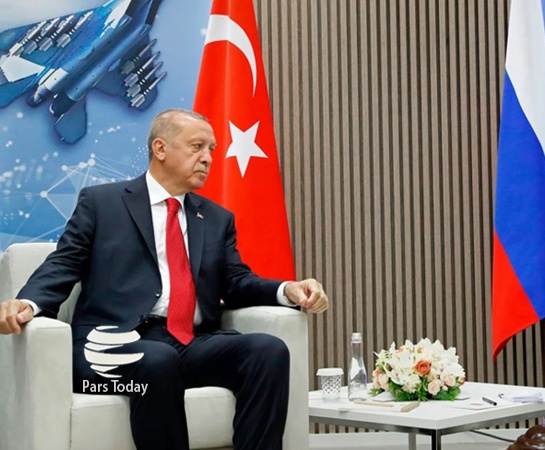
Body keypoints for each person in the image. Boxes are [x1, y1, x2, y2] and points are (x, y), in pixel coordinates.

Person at [0, 108, 329, 450]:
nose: (208, 158)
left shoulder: (216, 218)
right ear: (160, 148)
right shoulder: (102, 203)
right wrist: (28, 303)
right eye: (197, 147)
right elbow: (64, 262)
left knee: (267, 350)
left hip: (190, 342)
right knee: (157, 359)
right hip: (112, 344)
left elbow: (235, 281)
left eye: (212, 150)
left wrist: (287, 289)